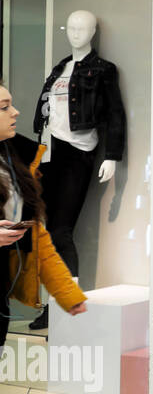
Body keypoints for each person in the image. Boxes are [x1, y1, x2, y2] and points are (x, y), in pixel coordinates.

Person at [0, 84, 87, 352]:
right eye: (4, 107)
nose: (15, 112)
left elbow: (37, 237)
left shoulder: (16, 161)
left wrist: (67, 294)